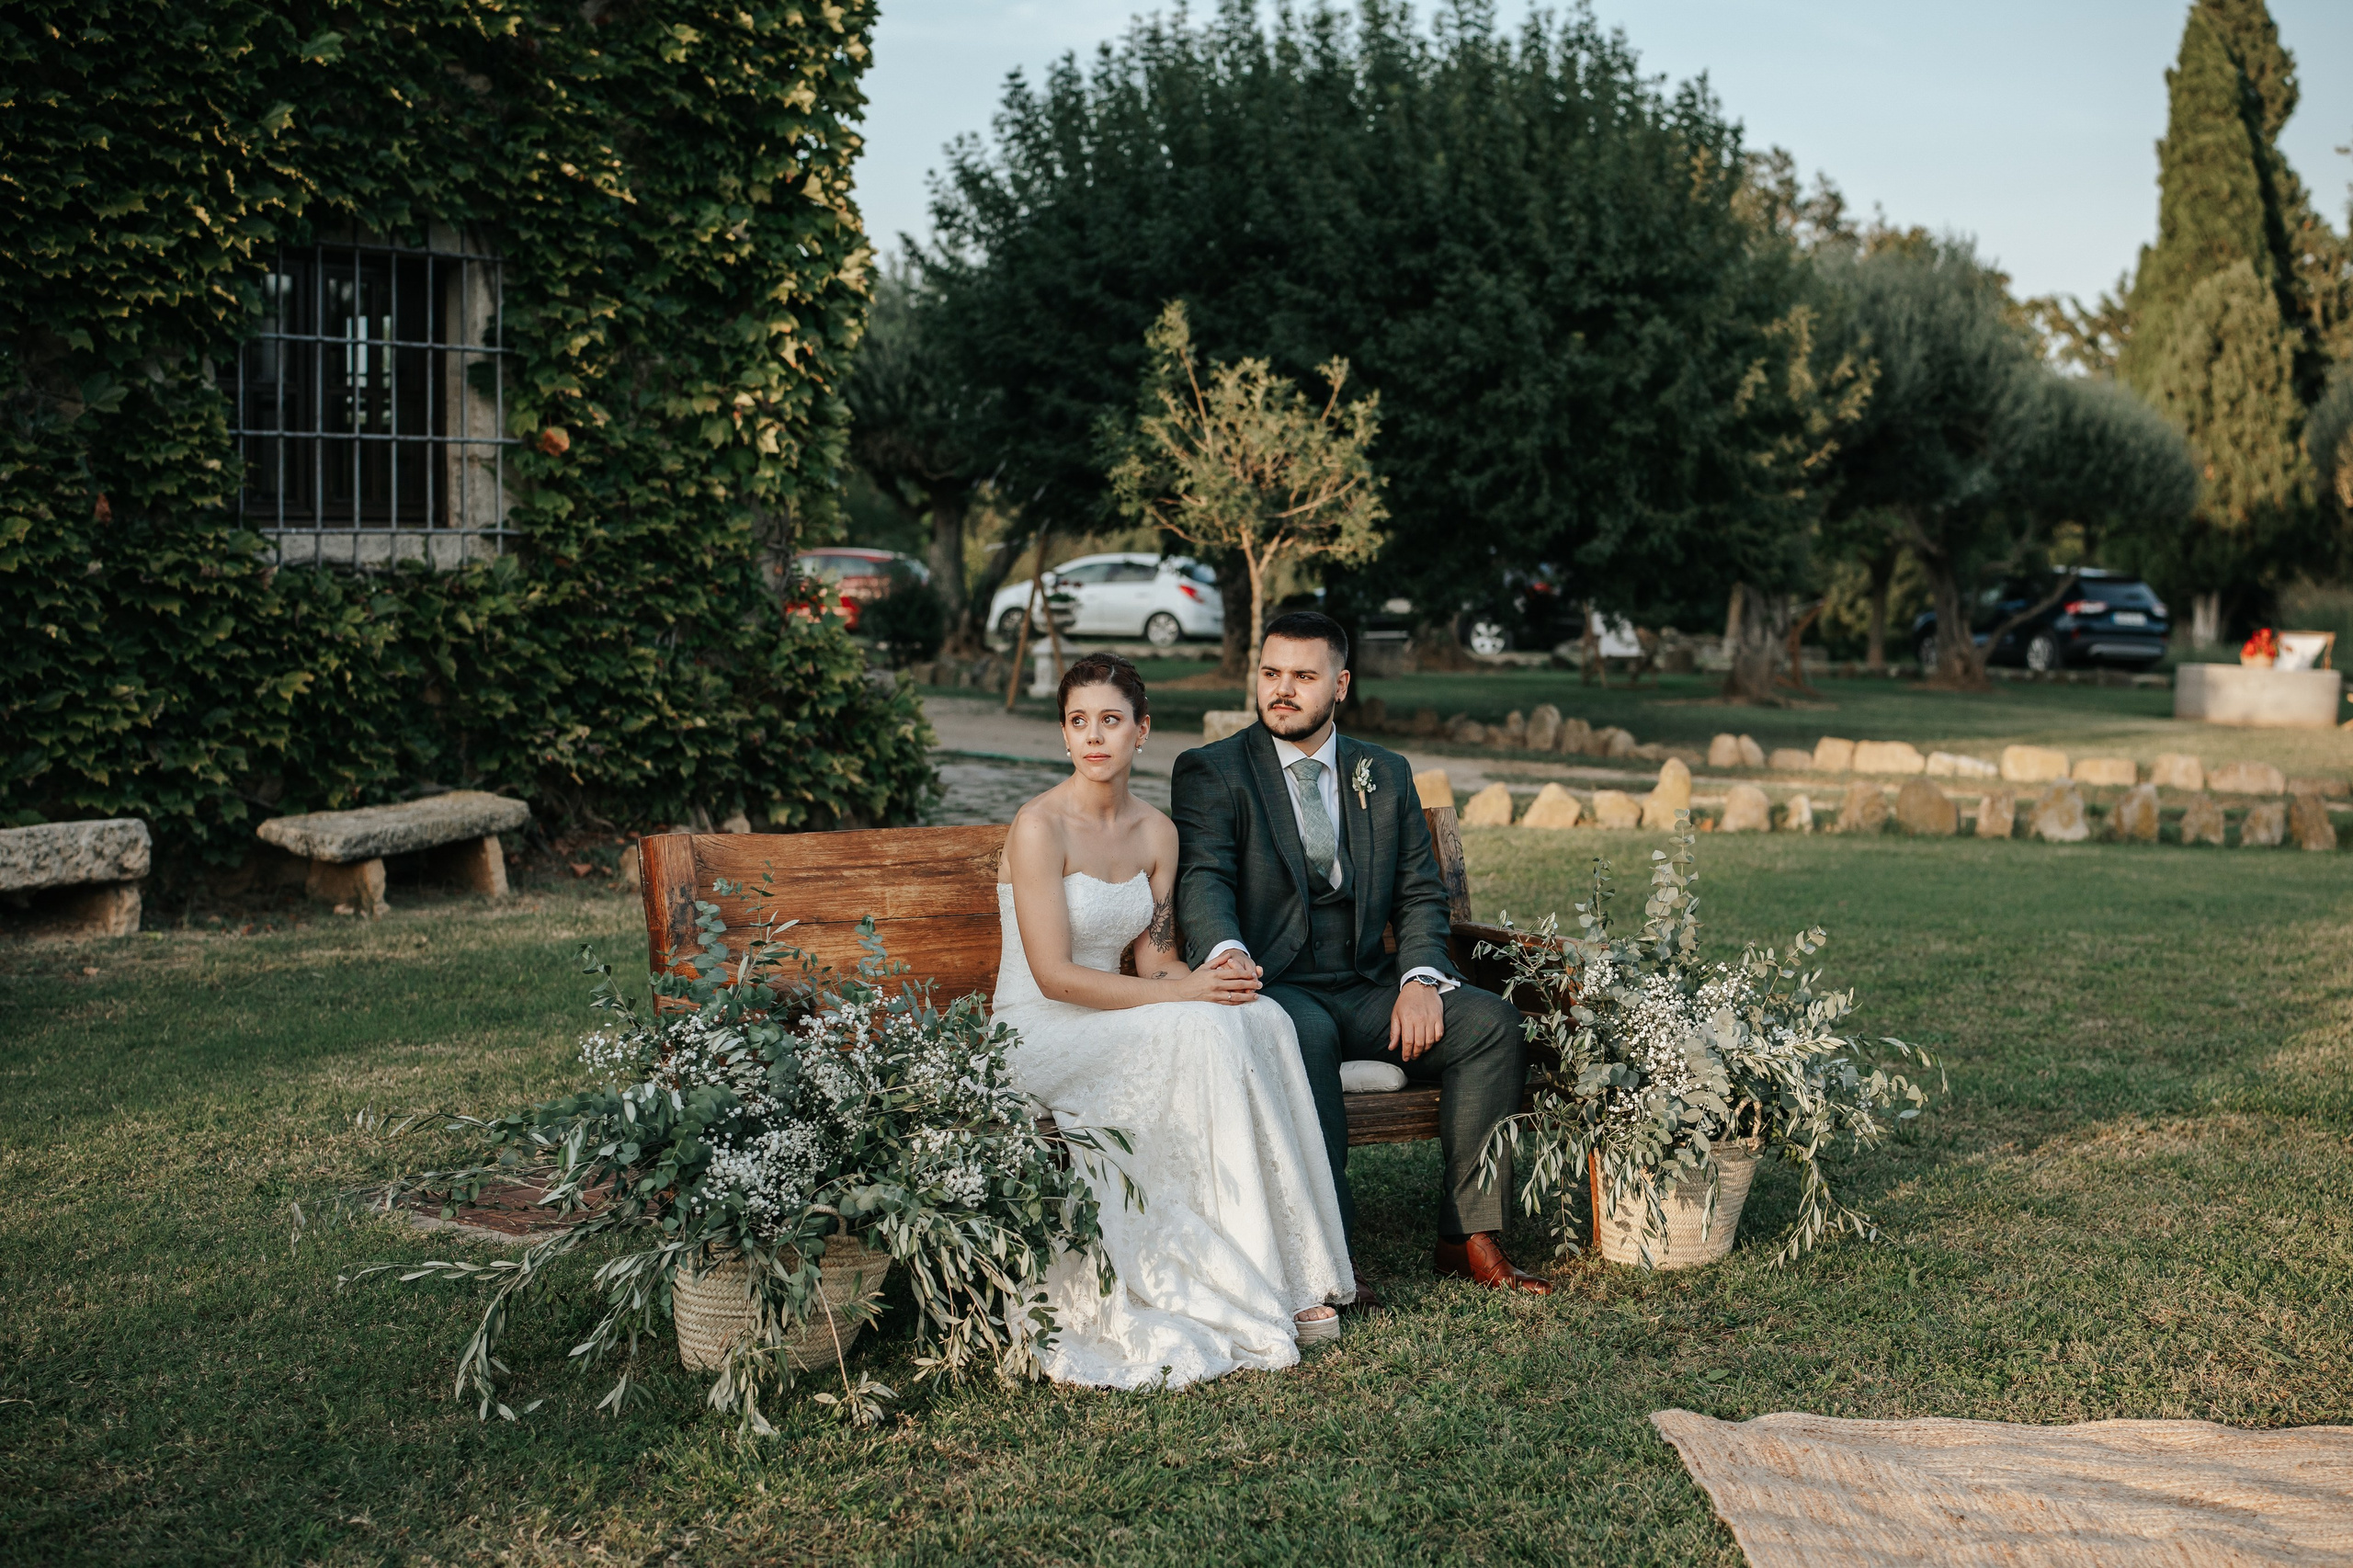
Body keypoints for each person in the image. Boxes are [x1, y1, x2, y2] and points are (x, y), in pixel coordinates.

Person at [993, 651, 1355, 1391]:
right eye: (1078, 722)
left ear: (1141, 731)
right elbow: (1055, 977)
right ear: (1064, 736)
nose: (1094, 737)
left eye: (1111, 721)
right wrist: (1184, 998)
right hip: (1039, 1028)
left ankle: (1292, 1272)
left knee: (1261, 1020)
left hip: (1113, 1019)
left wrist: (1206, 982)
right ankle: (1237, 1279)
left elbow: (1156, 965)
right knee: (1197, 1026)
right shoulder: (1039, 827)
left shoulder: (1157, 834)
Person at [1170, 610, 1552, 1294]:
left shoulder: (1385, 772)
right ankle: (1330, 1253)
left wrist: (1419, 978)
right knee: (1303, 1037)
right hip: (1274, 984)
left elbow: (1419, 892)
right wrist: (1225, 951)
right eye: (1271, 673)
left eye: (1303, 676)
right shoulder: (1214, 770)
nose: (1282, 690)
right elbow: (1204, 878)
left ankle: (1467, 1235)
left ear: (1340, 684)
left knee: (1490, 1026)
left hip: (1371, 988)